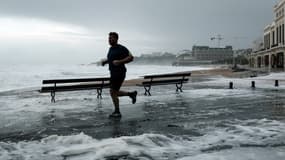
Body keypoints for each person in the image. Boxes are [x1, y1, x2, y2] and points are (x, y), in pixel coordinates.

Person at [102, 32, 137, 118]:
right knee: (114, 92)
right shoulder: (111, 49)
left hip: (119, 73)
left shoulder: (121, 48)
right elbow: (112, 59)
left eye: (111, 38)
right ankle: (131, 94)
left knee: (113, 92)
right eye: (109, 38)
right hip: (113, 73)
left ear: (116, 39)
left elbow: (131, 57)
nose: (109, 40)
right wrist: (106, 62)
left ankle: (117, 112)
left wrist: (120, 62)